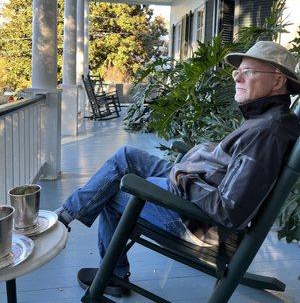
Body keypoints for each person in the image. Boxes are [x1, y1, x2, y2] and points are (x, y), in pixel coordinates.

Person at [56, 40, 300, 297]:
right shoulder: (266, 118)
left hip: (201, 225)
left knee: (113, 191)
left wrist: (184, 178)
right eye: (236, 71)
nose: (237, 76)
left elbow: (231, 212)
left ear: (277, 81)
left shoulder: (267, 133)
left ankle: (111, 273)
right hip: (197, 189)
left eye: (248, 71)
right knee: (125, 156)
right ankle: (67, 215)